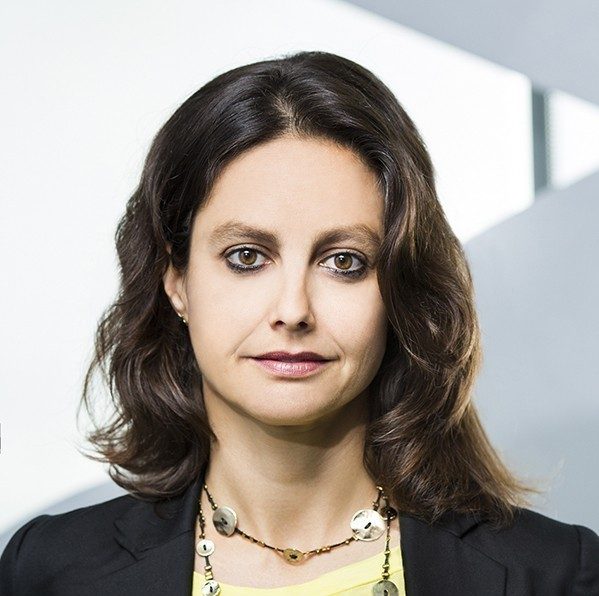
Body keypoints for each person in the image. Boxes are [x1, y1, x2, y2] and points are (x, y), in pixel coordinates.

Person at [1, 50, 598, 596]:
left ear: (401, 289)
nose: (293, 311)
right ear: (175, 279)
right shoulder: (48, 572)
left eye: (344, 262)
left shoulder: (555, 575)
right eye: (246, 257)